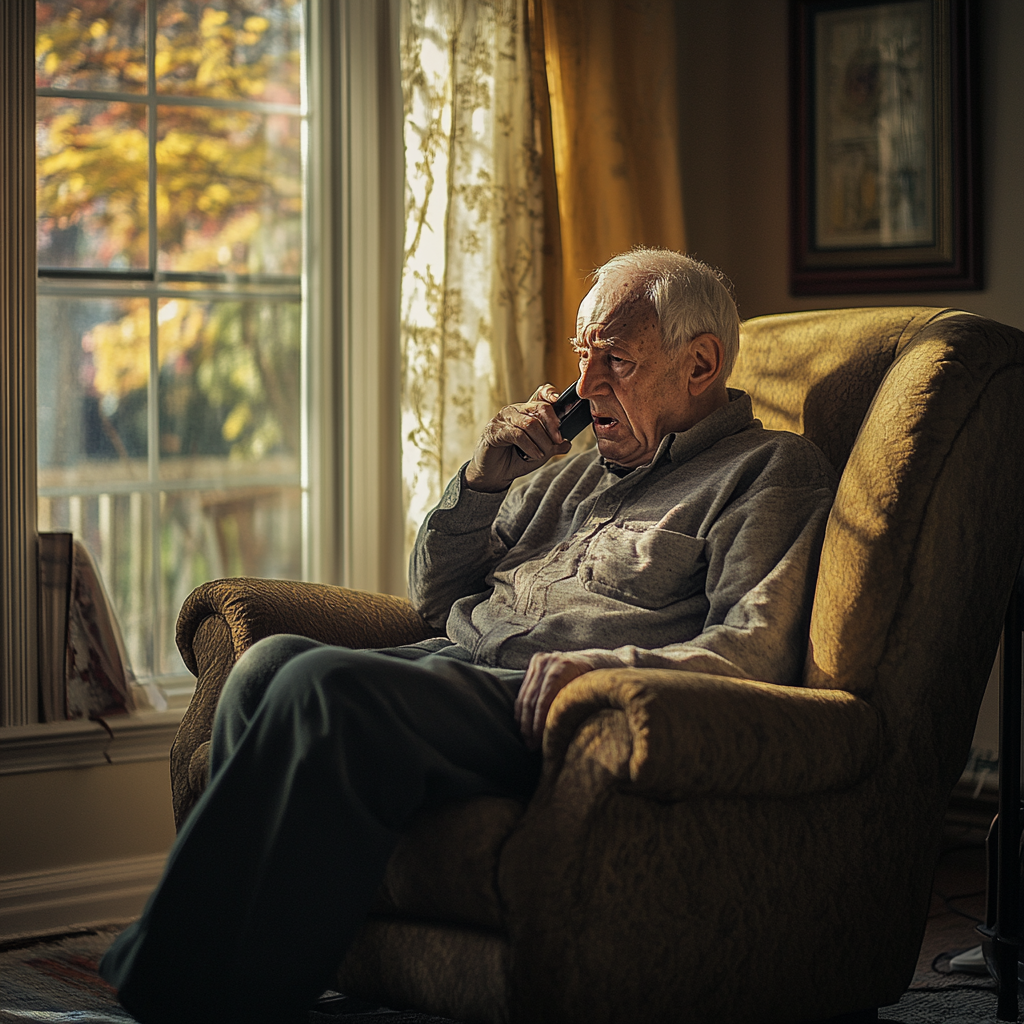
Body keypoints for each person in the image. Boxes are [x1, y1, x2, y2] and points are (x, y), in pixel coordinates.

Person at [100, 248, 837, 1023]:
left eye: (615, 361)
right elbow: (436, 596)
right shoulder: (566, 473)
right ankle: (233, 985)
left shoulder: (769, 472)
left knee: (323, 687)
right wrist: (484, 481)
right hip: (453, 668)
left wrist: (607, 668)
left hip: (545, 705)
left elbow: (755, 642)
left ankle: (171, 993)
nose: (585, 389)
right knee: (267, 664)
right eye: (584, 358)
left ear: (700, 365)